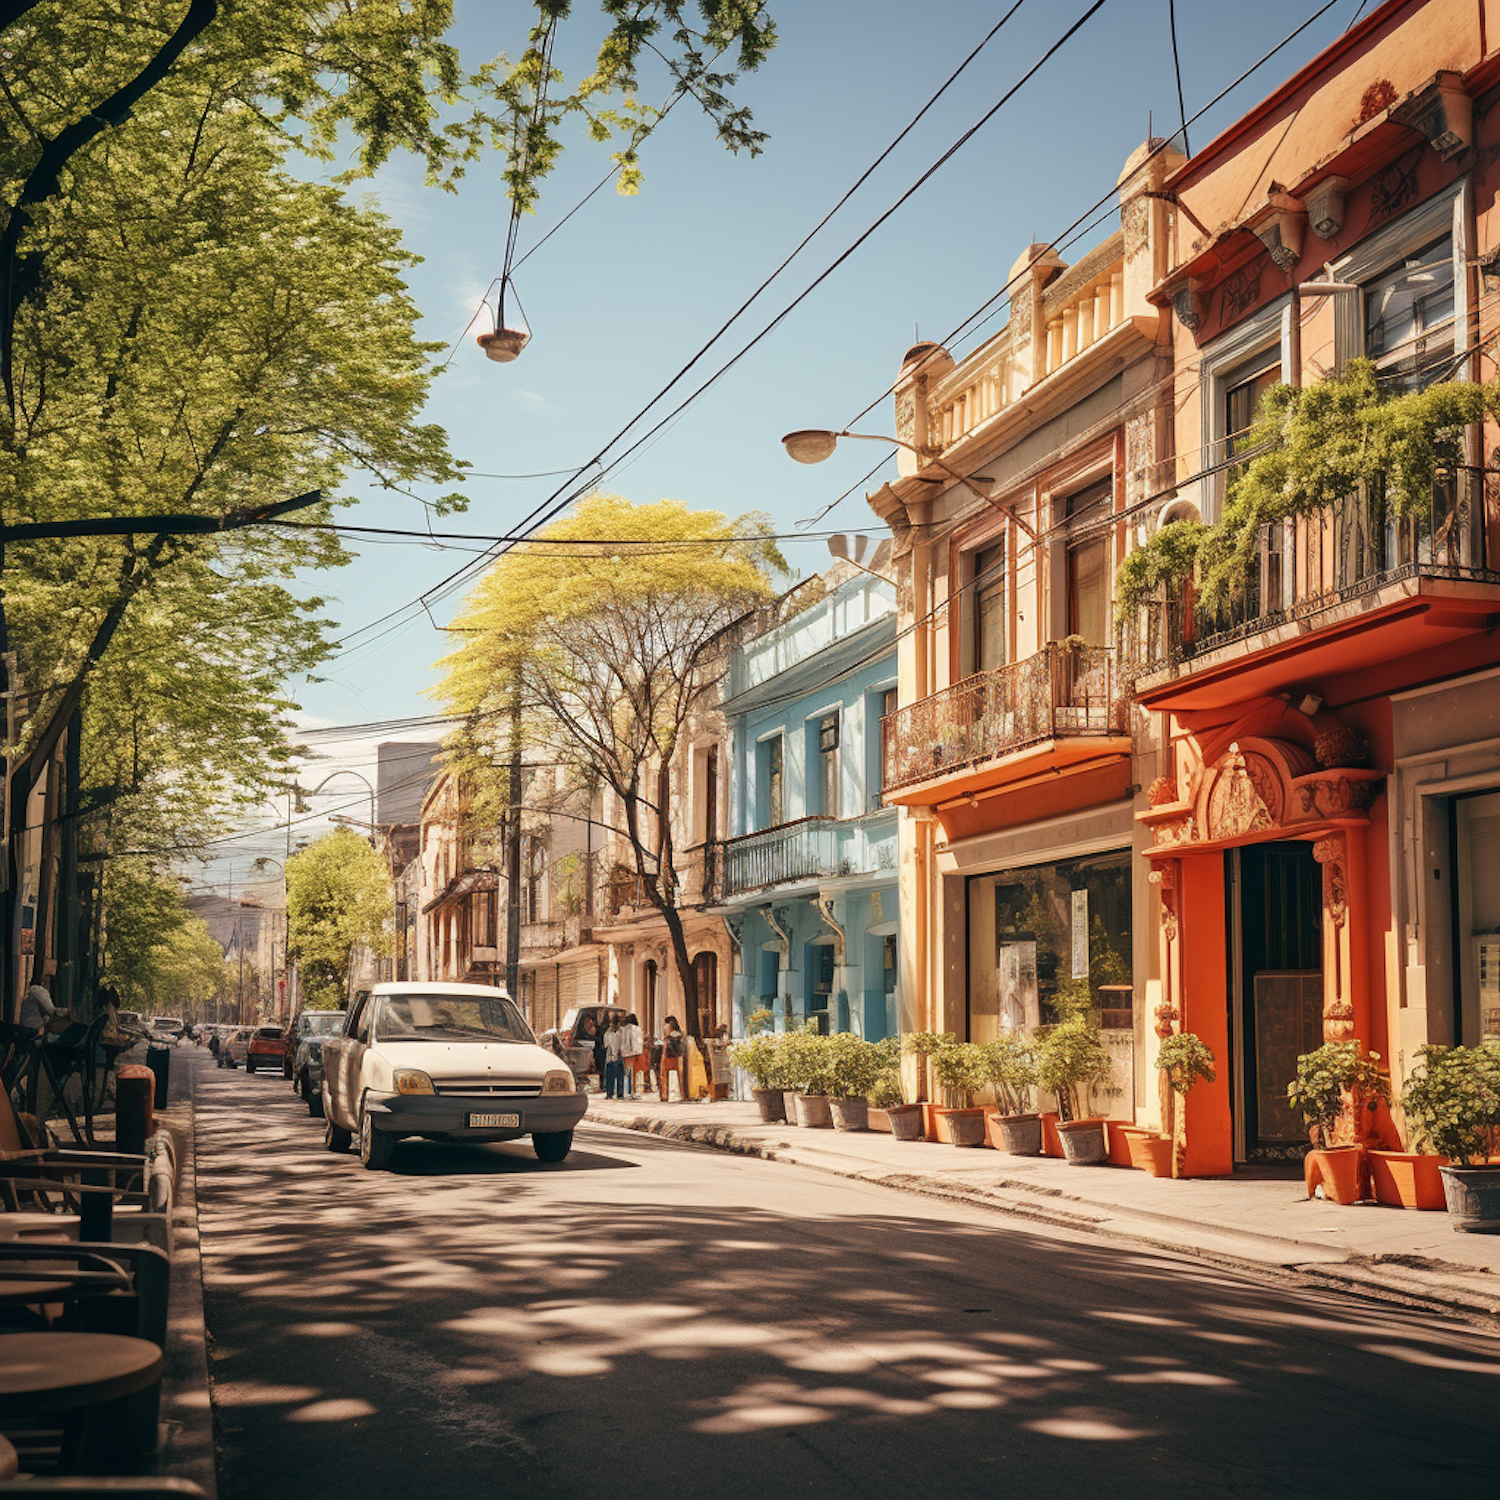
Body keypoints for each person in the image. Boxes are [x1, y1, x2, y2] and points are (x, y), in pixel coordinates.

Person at [659, 1015, 686, 1102]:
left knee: (664, 1075)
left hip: (667, 1055)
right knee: (681, 1076)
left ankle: (664, 1095)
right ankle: (683, 1094)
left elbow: (665, 1042)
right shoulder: (680, 1034)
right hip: (678, 1055)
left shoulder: (668, 1034)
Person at [621, 1012, 646, 1098]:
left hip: (627, 1054)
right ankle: (636, 1091)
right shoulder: (638, 1029)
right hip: (637, 1053)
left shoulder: (624, 1029)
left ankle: (627, 1091)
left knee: (627, 1074)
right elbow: (639, 1041)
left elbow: (625, 1042)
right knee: (636, 1074)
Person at [602, 1014, 627, 1099]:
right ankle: (610, 1093)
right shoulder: (608, 1033)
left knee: (619, 1075)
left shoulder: (621, 1032)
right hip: (611, 1057)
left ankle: (619, 1093)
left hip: (619, 1056)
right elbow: (606, 1045)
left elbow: (623, 1044)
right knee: (610, 1076)